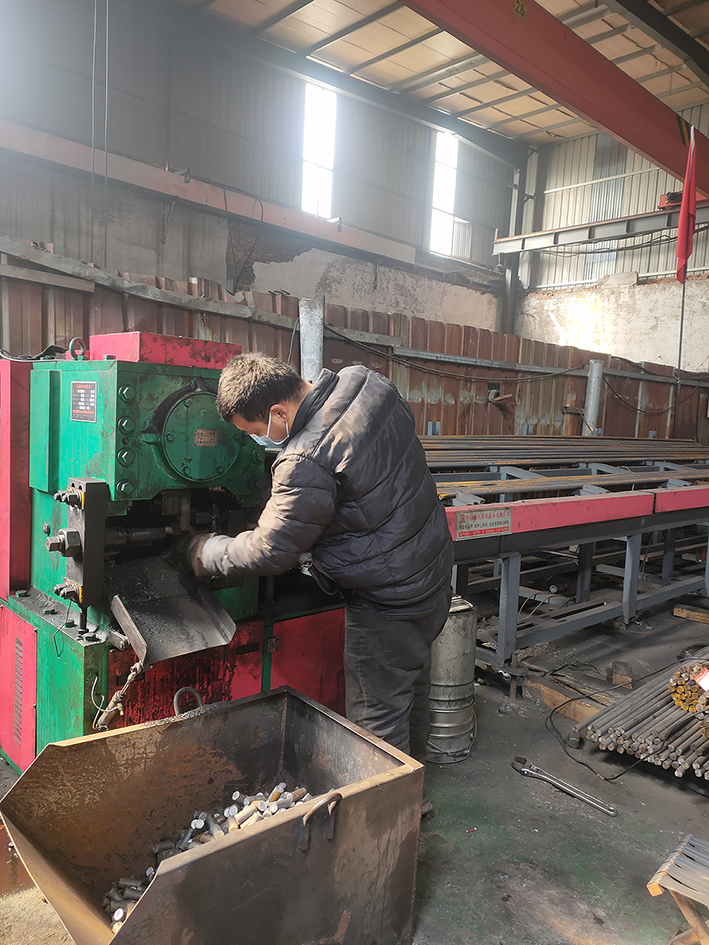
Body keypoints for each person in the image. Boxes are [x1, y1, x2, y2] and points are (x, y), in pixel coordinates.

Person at [188, 353, 453, 763]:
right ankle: (417, 782)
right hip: (431, 570)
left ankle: (391, 801)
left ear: (278, 413)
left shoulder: (304, 458)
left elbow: (270, 549)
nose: (258, 440)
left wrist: (205, 551)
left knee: (378, 720)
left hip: (388, 602)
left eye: (255, 431)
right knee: (410, 688)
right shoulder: (367, 383)